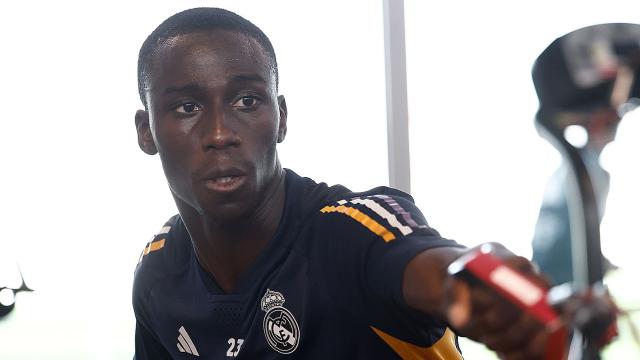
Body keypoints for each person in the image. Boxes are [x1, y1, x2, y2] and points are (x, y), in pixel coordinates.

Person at [132, 7, 550, 359]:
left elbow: (437, 270)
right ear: (146, 131)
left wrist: (490, 287)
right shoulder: (159, 270)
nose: (220, 133)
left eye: (247, 101)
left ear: (281, 118)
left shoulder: (350, 232)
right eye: (187, 107)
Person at [530, 23, 640, 286]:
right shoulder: (581, 174)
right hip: (562, 295)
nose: (618, 116)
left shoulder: (586, 172)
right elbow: (557, 251)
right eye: (614, 109)